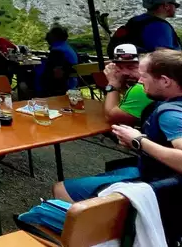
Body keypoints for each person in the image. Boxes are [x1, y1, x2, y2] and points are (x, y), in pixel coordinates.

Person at [54, 49, 182, 202]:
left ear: (165, 81)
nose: (140, 81)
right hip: (157, 172)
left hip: (159, 185)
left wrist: (139, 141)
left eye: (144, 76)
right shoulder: (170, 103)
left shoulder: (170, 114)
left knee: (61, 188)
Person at [109, 0, 181, 54]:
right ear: (166, 6)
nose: (176, 9)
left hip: (134, 65)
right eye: (175, 6)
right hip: (154, 67)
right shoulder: (159, 26)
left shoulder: (136, 20)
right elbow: (164, 54)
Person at [103, 44, 154, 125]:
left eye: (131, 67)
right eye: (120, 68)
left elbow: (112, 118)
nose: (124, 73)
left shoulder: (142, 89)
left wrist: (113, 84)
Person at [38, 25, 78, 95]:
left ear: (54, 37)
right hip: (73, 82)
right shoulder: (67, 47)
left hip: (61, 85)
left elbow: (57, 72)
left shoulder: (58, 51)